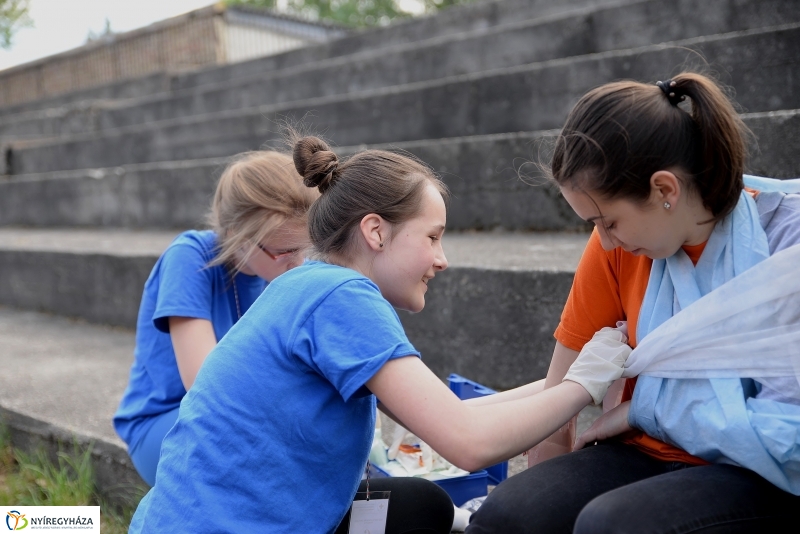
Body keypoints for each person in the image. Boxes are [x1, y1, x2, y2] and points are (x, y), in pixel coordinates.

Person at [128, 136, 631, 533]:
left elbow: (446, 418)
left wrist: (576, 378)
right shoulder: (340, 296)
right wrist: (582, 386)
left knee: (417, 508)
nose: (442, 258)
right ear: (375, 232)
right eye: (432, 236)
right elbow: (468, 442)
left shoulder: (312, 286)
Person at [467, 72, 800, 533]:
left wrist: (646, 409)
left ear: (664, 190)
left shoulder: (787, 246)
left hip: (762, 472)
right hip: (647, 452)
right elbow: (560, 391)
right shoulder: (616, 247)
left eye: (609, 221)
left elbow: (789, 436)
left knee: (612, 525)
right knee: (510, 514)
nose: (603, 240)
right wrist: (542, 479)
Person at [113, 151, 318, 486]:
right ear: (239, 235)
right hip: (169, 420)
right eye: (285, 252)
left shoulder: (287, 270)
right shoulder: (189, 257)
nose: (299, 264)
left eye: (304, 248)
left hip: (241, 416)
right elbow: (206, 385)